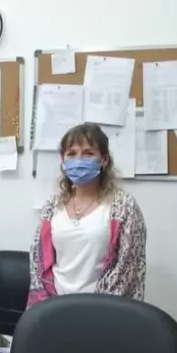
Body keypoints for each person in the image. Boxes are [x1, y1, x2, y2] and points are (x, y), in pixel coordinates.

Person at [29, 123, 147, 306]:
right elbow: (38, 262)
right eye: (71, 153)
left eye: (88, 153)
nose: (78, 160)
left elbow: (128, 269)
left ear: (104, 159)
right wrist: (48, 306)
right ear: (62, 159)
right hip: (54, 308)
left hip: (103, 310)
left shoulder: (123, 206)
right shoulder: (52, 205)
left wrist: (95, 310)